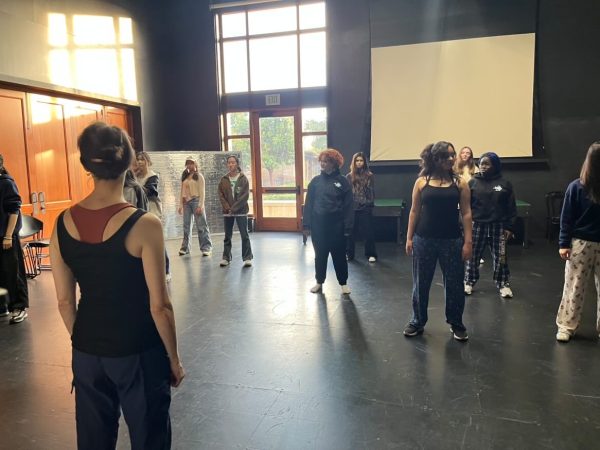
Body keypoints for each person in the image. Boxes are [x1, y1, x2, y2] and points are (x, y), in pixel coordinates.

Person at [50, 122, 185, 449]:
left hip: (87, 353)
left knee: (93, 441)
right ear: (128, 164)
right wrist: (174, 359)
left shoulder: (62, 222)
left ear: (85, 164)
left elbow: (65, 303)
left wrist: (88, 342)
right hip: (138, 351)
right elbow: (160, 306)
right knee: (149, 437)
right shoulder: (144, 225)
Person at [404, 141, 472, 341]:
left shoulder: (460, 183)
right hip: (423, 239)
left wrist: (468, 242)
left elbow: (467, 213)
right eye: (446, 156)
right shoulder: (421, 182)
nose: (452, 159)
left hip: (451, 240)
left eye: (453, 155)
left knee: (454, 284)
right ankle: (417, 321)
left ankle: (456, 323)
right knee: (420, 283)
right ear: (435, 159)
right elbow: (414, 211)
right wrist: (409, 238)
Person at [555, 142, 600, 342]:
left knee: (574, 287)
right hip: (581, 244)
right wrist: (564, 243)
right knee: (574, 286)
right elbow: (567, 218)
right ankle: (566, 326)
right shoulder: (576, 187)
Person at [464, 152, 516, 299]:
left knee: (501, 257)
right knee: (472, 256)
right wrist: (465, 227)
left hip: (498, 226)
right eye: (481, 163)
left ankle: (503, 284)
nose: (483, 166)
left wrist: (510, 227)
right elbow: (466, 206)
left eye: (487, 163)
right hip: (477, 225)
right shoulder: (472, 183)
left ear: (495, 165)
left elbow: (511, 207)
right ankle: (468, 282)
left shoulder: (505, 184)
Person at [304, 148, 354, 294]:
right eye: (322, 161)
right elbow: (309, 205)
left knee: (339, 256)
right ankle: (319, 282)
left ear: (334, 163)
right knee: (320, 256)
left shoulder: (343, 182)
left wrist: (348, 227)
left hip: (337, 226)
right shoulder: (315, 182)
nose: (323, 164)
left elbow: (349, 206)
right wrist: (306, 225)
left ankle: (343, 283)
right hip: (318, 226)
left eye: (326, 161)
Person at [0, 154, 29, 324]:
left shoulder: (6, 182)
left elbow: (14, 210)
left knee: (13, 273)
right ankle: (3, 306)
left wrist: (8, 236)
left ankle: (19, 307)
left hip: (7, 236)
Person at [136, 152, 171, 282]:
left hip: (152, 211)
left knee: (158, 241)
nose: (139, 162)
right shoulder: (136, 176)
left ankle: (166, 270)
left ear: (147, 161)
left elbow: (150, 191)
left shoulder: (153, 176)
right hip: (140, 212)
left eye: (142, 160)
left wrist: (135, 185)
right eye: (138, 160)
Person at [218, 154, 253, 267]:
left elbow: (244, 196)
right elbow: (221, 195)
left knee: (244, 235)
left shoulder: (243, 179)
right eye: (229, 162)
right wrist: (228, 208)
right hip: (228, 213)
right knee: (228, 236)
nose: (231, 164)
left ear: (237, 164)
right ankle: (226, 257)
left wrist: (234, 208)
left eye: (233, 162)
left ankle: (247, 257)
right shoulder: (224, 179)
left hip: (241, 211)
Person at [346, 152, 378, 263]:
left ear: (364, 162)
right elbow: (348, 194)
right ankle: (349, 254)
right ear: (354, 162)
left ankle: (371, 254)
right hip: (353, 208)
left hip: (365, 208)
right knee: (350, 232)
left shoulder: (369, 175)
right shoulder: (349, 176)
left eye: (361, 160)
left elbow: (371, 192)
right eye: (357, 161)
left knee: (368, 232)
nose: (359, 163)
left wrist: (368, 204)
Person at [178, 157, 212, 257]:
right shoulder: (185, 176)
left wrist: (200, 205)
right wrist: (180, 205)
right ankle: (185, 248)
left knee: (201, 225)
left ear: (195, 164)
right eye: (188, 163)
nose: (189, 165)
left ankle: (206, 247)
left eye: (191, 163)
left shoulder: (199, 176)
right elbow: (181, 192)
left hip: (196, 201)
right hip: (186, 203)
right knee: (186, 226)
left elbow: (202, 192)